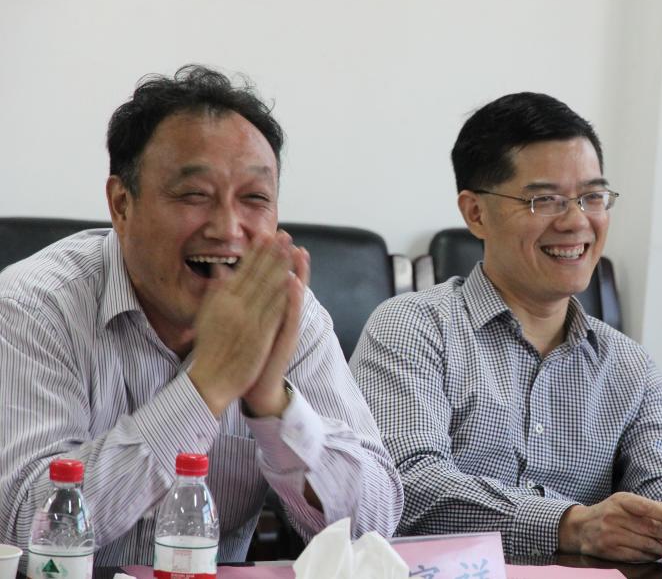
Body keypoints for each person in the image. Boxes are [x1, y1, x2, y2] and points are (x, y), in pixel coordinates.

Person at [0, 66, 403, 565]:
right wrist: (209, 382)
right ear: (121, 205)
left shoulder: (288, 313)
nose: (228, 228)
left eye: (254, 198)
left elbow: (372, 528)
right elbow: (26, 524)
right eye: (194, 195)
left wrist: (271, 403)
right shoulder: (33, 307)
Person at [351, 92, 662, 562]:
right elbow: (405, 485)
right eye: (544, 200)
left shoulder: (629, 365)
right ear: (476, 213)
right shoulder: (413, 328)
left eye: (593, 197)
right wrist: (570, 525)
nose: (577, 221)